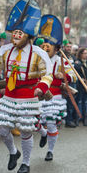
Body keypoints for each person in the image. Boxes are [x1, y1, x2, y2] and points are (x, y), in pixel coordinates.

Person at [0, 0, 53, 173]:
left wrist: (42, 88)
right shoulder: (5, 50)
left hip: (28, 97)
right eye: (15, 31)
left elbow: (48, 75)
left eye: (20, 32)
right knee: (2, 129)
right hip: (8, 96)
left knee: (25, 130)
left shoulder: (39, 53)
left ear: (29, 35)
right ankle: (14, 153)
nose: (16, 35)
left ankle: (26, 163)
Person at [35, 14, 77, 161]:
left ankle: (50, 150)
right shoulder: (37, 60)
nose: (45, 49)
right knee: (33, 122)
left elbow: (74, 76)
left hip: (54, 95)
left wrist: (65, 76)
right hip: (38, 94)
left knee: (52, 123)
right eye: (43, 46)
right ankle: (43, 134)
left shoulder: (61, 61)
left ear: (56, 48)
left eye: (48, 47)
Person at [74, 48, 87, 126]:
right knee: (79, 101)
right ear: (80, 54)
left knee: (85, 102)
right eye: (84, 53)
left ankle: (85, 119)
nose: (86, 55)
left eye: (86, 53)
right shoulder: (78, 62)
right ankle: (78, 118)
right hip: (80, 85)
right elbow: (77, 73)